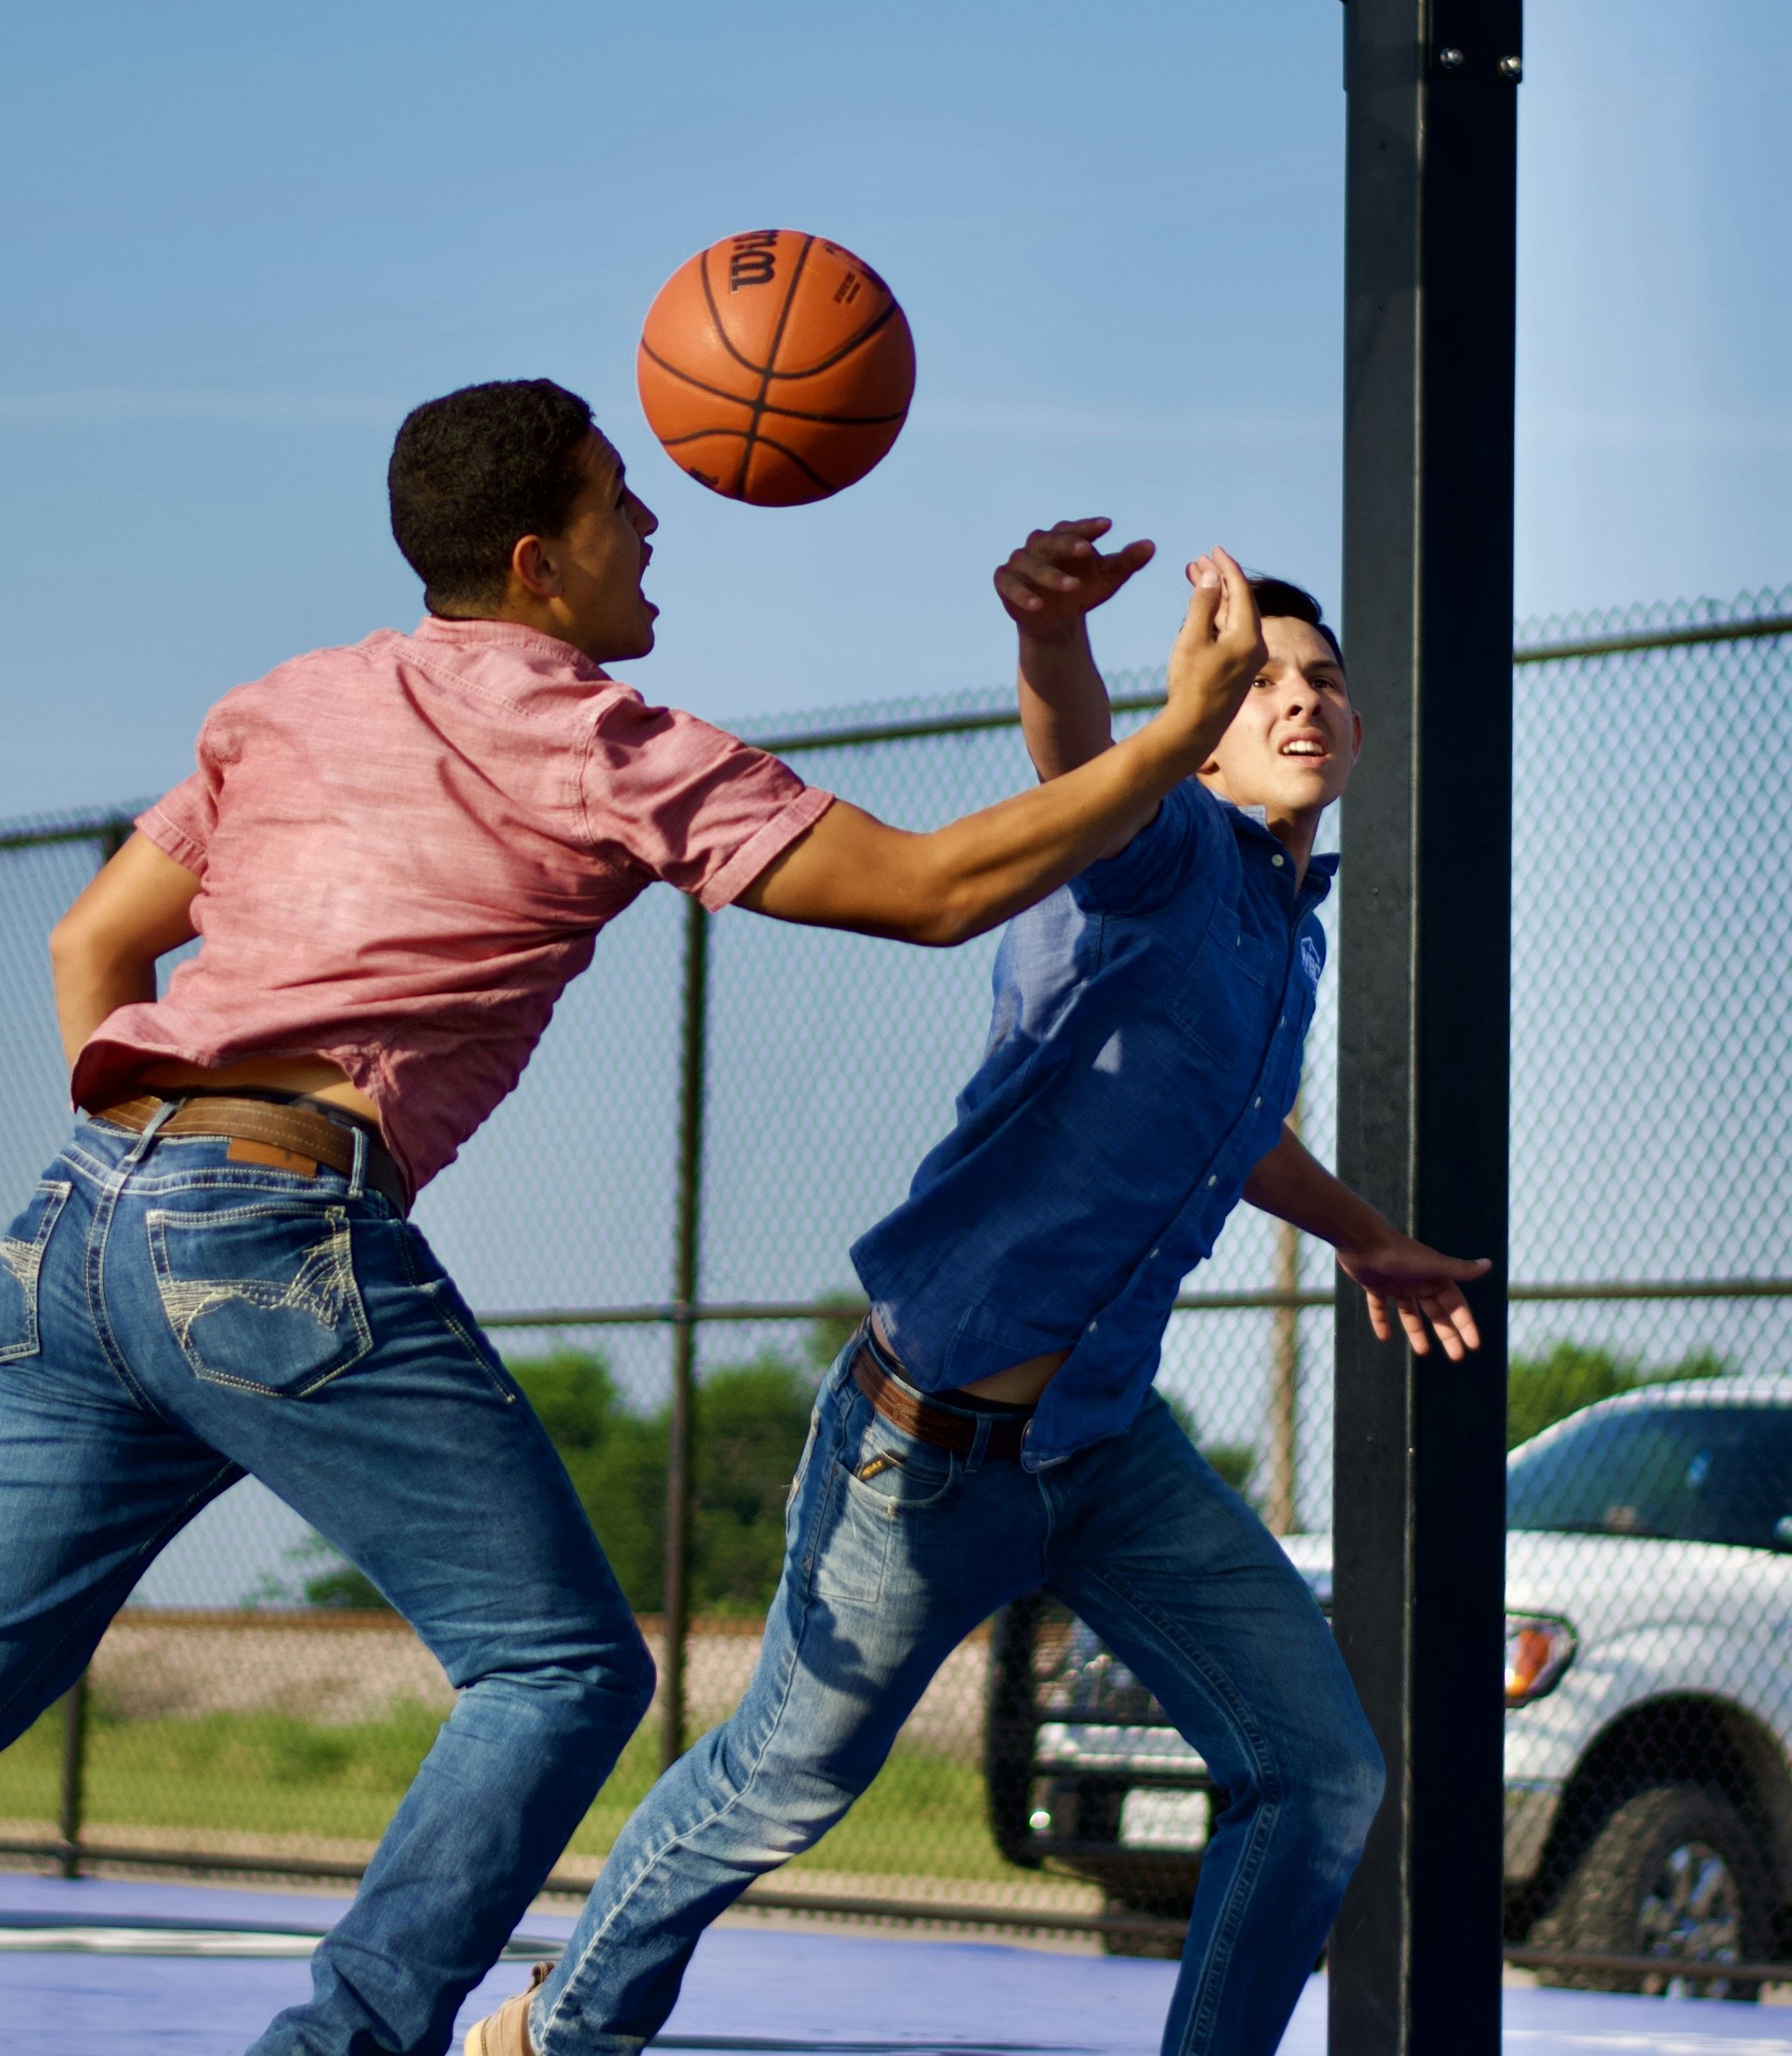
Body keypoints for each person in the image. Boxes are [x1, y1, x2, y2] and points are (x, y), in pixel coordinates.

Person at [0, 392, 1269, 2056]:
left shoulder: (289, 702)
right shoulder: (602, 739)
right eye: (625, 502)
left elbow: (87, 949)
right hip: (272, 1224)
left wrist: (159, 1172)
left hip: (78, 1223)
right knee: (561, 1670)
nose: (655, 527)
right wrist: (1165, 731)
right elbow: (923, 892)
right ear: (541, 562)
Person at [474, 520, 1493, 2056]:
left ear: (1355, 727)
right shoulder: (1152, 849)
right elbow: (1073, 750)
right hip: (929, 1447)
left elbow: (1223, 1123)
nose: (1296, 701)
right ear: (1199, 745)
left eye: (1323, 681)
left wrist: (1360, 1231)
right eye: (1256, 681)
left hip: (1102, 1446)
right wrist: (1053, 642)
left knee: (1318, 1770)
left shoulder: (1288, 929)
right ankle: (556, 2031)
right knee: (779, 1782)